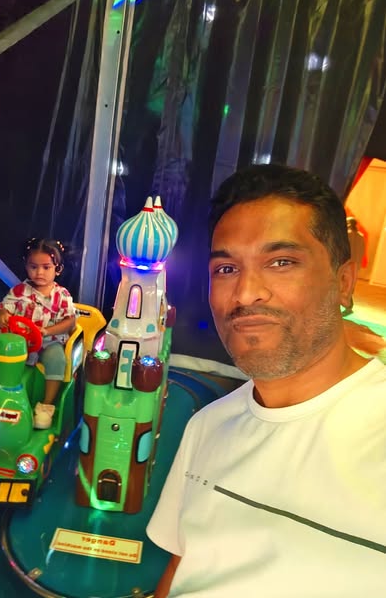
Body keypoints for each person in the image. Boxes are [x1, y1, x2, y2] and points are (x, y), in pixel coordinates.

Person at [146, 164, 386, 597]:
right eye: (226, 269)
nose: (245, 293)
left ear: (344, 281)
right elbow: (183, 564)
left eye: (280, 262)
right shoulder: (207, 426)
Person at [0, 238, 76, 429]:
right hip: (19, 340)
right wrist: (3, 315)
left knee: (57, 359)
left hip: (48, 340)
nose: (39, 272)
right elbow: (4, 308)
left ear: (57, 268)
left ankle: (46, 406)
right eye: (33, 267)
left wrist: (47, 330)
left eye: (46, 267)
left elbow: (70, 321)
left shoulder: (62, 295)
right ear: (26, 266)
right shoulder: (19, 291)